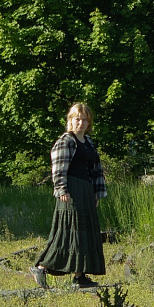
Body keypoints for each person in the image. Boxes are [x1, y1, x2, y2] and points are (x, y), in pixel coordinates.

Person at [32, 102, 107, 289]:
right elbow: (58, 168)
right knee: (67, 232)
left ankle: (80, 276)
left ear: (89, 123)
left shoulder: (88, 143)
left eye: (84, 120)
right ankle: (41, 267)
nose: (80, 123)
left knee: (84, 233)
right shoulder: (66, 141)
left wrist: (97, 193)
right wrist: (62, 189)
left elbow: (96, 170)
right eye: (77, 119)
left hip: (86, 191)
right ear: (70, 121)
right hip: (72, 190)